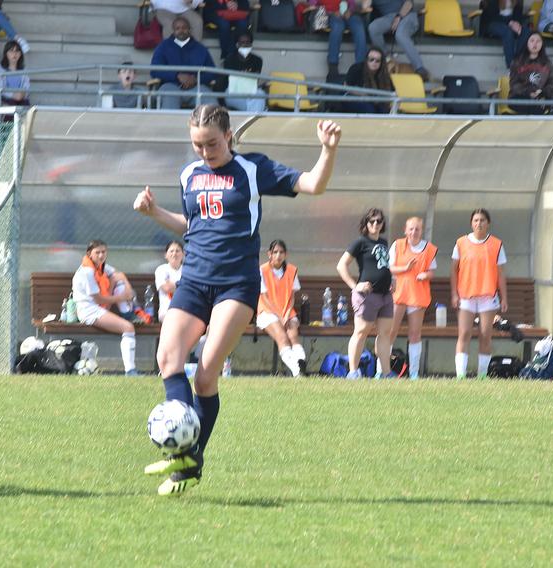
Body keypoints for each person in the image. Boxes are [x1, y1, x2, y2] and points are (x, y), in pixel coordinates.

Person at [133, 104, 340, 496]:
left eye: (211, 143)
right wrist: (155, 211)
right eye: (197, 144)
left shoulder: (252, 169)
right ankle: (183, 450)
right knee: (167, 359)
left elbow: (314, 184)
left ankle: (192, 456)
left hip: (235, 284)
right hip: (194, 279)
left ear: (228, 136)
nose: (204, 152)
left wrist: (327, 150)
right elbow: (192, 225)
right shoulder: (189, 174)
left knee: (206, 373)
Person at [336, 208, 395, 379]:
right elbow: (341, 266)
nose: (375, 224)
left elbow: (382, 265)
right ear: (366, 224)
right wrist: (355, 286)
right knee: (361, 331)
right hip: (367, 295)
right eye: (372, 221)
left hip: (385, 295)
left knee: (385, 333)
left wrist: (390, 280)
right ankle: (353, 372)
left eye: (379, 221)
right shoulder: (360, 242)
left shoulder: (384, 243)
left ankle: (386, 373)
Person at [450, 208, 508, 379]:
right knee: (465, 333)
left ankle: (482, 375)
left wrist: (504, 297)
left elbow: (501, 273)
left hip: (488, 297)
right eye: (476, 220)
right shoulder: (461, 243)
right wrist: (454, 294)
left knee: (485, 335)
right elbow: (454, 270)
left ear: (488, 223)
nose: (479, 223)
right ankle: (461, 375)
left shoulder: (496, 244)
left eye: (482, 220)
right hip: (466, 296)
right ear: (471, 223)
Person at [72, 239, 140, 375]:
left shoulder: (101, 266)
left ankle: (128, 314)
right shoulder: (87, 272)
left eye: (104, 252)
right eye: (97, 252)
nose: (101, 255)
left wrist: (127, 288)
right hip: (88, 311)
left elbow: (119, 275)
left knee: (119, 284)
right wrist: (123, 297)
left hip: (99, 307)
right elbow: (97, 299)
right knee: (128, 327)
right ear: (89, 254)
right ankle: (130, 371)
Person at [387, 216, 436, 380]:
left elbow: (432, 271)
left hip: (418, 295)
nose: (414, 232)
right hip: (399, 294)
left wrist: (425, 275)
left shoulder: (428, 248)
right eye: (411, 229)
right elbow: (390, 268)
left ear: (422, 231)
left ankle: (414, 372)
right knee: (390, 331)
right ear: (405, 230)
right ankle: (382, 369)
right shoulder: (398, 245)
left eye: (417, 229)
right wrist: (405, 268)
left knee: (415, 334)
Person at [257, 239, 307, 377]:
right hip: (267, 312)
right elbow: (265, 297)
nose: (278, 255)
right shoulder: (262, 270)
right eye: (275, 252)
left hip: (287, 311)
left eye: (281, 252)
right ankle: (297, 371)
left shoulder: (291, 270)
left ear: (285, 254)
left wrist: (286, 315)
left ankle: (301, 362)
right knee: (282, 337)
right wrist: (279, 316)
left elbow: (292, 296)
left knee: (293, 336)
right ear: (269, 254)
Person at [150, 17, 216, 110]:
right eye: (177, 28)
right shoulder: (163, 47)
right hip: (171, 86)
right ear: (173, 31)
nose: (181, 30)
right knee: (170, 98)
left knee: (210, 101)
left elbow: (212, 72)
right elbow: (155, 70)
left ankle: (211, 125)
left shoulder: (200, 49)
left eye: (184, 28)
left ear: (189, 29)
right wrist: (177, 76)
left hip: (196, 87)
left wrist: (196, 79)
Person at [368, 0, 430, 81]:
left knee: (400, 34)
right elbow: (363, 5)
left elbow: (409, 3)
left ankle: (420, 68)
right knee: (373, 28)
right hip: (389, 18)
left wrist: (399, 16)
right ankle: (387, 60)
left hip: (407, 14)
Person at [314, 0, 367, 79]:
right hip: (327, 15)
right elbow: (312, 5)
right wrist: (331, 12)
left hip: (346, 14)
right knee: (338, 26)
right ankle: (333, 65)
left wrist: (349, 11)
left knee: (358, 25)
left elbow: (351, 4)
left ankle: (361, 66)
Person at [216, 32, 266, 113]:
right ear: (237, 45)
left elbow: (255, 80)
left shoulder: (257, 60)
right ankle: (257, 115)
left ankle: (253, 116)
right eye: (242, 43)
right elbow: (230, 81)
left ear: (251, 44)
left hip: (250, 90)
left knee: (261, 93)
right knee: (256, 103)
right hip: (233, 91)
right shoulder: (229, 59)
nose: (245, 45)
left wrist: (243, 76)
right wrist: (246, 76)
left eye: (248, 42)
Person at [509, 32, 553, 114]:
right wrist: (528, 92)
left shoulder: (547, 63)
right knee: (529, 106)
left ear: (542, 44)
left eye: (538, 41)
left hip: (541, 97)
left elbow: (551, 83)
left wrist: (542, 92)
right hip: (520, 97)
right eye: (532, 41)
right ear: (527, 43)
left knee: (538, 106)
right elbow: (514, 83)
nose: (535, 44)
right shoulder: (517, 62)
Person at [480, 0, 531, 69]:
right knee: (507, 31)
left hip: (510, 24)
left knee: (526, 31)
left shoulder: (518, 1)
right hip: (492, 24)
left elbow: (518, 16)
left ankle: (519, 61)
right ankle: (512, 67)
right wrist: (510, 22)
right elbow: (491, 17)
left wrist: (517, 25)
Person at [343, 45, 393, 113]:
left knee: (384, 110)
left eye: (377, 61)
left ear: (381, 63)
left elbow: (391, 92)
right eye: (371, 59)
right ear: (366, 60)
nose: (374, 63)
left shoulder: (383, 74)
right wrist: (366, 95)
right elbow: (346, 87)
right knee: (369, 109)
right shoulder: (357, 68)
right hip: (353, 98)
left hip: (375, 101)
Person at [154, 240, 184, 322]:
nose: (174, 254)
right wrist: (184, 285)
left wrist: (173, 285)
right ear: (166, 255)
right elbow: (167, 288)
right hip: (167, 311)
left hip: (186, 309)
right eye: (171, 251)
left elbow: (194, 289)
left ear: (183, 254)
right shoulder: (161, 269)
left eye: (177, 251)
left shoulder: (188, 270)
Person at [0, 39, 29, 107]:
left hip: (21, 98)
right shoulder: (1, 69)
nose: (14, 54)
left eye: (17, 51)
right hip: (7, 99)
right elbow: (0, 88)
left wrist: (22, 94)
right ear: (6, 54)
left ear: (20, 54)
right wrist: (13, 95)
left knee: (26, 105)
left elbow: (27, 86)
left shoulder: (24, 69)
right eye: (11, 51)